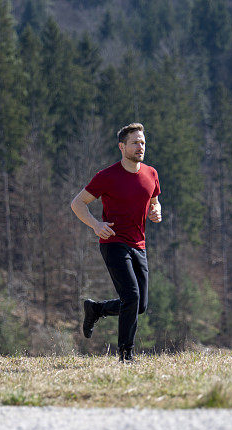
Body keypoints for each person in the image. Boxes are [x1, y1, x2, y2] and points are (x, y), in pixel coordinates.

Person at [70, 123, 162, 362]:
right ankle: (126, 355)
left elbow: (154, 201)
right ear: (122, 147)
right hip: (113, 242)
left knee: (139, 305)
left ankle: (97, 309)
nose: (140, 147)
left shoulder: (151, 173)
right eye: (135, 142)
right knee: (131, 297)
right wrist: (95, 225)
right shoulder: (107, 176)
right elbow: (77, 203)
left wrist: (156, 211)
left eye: (142, 142)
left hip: (139, 245)